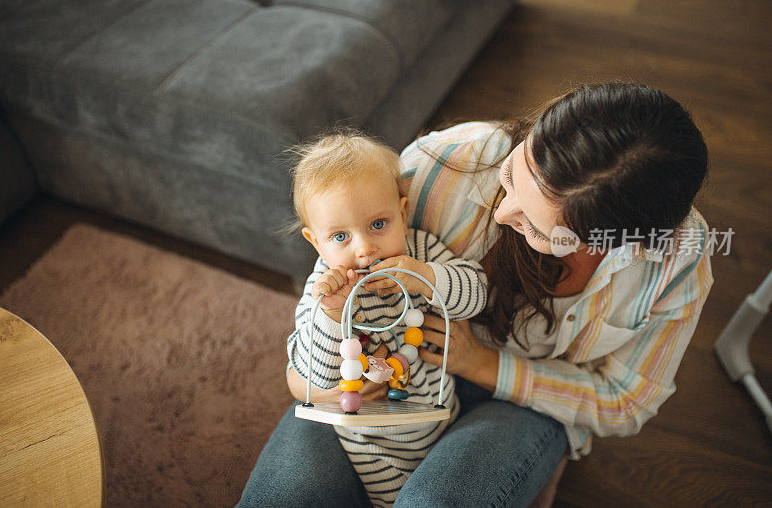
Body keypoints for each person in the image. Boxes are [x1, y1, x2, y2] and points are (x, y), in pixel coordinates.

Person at [239, 82, 714, 507]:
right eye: (511, 178)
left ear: (610, 243)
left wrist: (483, 366)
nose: (503, 212)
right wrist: (320, 388)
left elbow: (627, 400)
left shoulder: (673, 264)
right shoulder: (441, 165)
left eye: (536, 226)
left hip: (525, 399)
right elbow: (337, 270)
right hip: (397, 374)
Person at [285, 132, 488, 506]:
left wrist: (426, 277)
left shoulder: (421, 251)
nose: (364, 249)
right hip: (371, 448)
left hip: (442, 420)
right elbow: (316, 376)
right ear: (316, 242)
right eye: (341, 236)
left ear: (403, 212)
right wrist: (331, 315)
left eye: (378, 224)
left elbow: (476, 295)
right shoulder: (324, 291)